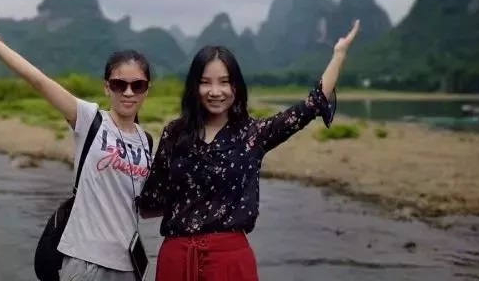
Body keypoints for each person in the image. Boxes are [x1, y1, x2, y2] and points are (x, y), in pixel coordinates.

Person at [138, 20, 361, 281]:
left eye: (224, 82)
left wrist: (339, 54)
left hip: (230, 261)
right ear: (193, 87)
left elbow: (311, 106)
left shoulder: (253, 134)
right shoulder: (175, 134)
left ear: (236, 87)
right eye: (205, 82)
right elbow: (151, 201)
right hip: (177, 259)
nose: (215, 91)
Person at [0, 8, 154, 281]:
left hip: (128, 266)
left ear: (147, 90)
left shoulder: (145, 140)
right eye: (119, 84)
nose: (128, 92)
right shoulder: (90, 119)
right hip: (85, 261)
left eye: (137, 86)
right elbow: (39, 80)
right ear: (107, 87)